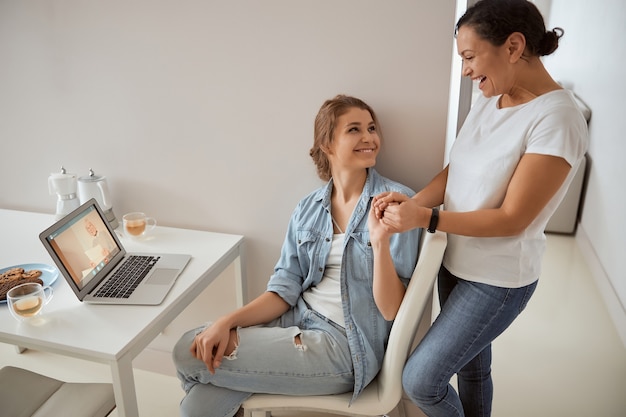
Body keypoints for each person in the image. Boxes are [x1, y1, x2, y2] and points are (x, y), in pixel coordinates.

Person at [372, 1, 589, 416]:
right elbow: (459, 168)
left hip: (497, 280)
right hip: (455, 260)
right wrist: (414, 203)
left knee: (420, 380)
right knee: (473, 370)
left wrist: (426, 218)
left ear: (513, 46)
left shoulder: (557, 118)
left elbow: (513, 219)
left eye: (470, 57)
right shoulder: (491, 98)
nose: (467, 71)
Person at [172, 94, 421, 417]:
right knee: (197, 401)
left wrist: (380, 242)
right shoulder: (308, 209)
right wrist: (226, 321)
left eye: (371, 128)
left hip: (344, 347)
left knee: (185, 353)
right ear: (327, 143)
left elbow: (391, 311)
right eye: (354, 129)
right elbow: (283, 291)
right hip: (294, 322)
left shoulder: (397, 204)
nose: (369, 138)